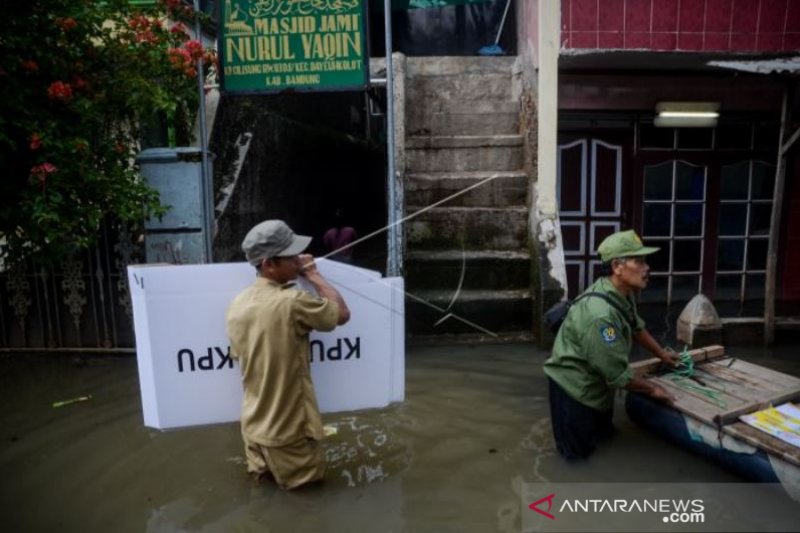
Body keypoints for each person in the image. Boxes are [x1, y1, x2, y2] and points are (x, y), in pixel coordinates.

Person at [226, 220, 351, 489]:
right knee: (308, 505)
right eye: (292, 257)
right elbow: (341, 314)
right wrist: (314, 275)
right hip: (288, 433)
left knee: (263, 497)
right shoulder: (291, 302)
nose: (298, 260)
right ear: (270, 264)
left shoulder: (237, 303)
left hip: (253, 428)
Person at [543, 229, 678, 461]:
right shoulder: (600, 316)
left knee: (605, 440)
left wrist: (661, 354)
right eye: (639, 261)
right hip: (574, 390)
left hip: (597, 384)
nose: (647, 268)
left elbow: (636, 326)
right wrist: (654, 390)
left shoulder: (621, 294)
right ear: (617, 266)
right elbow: (618, 376)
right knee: (577, 459)